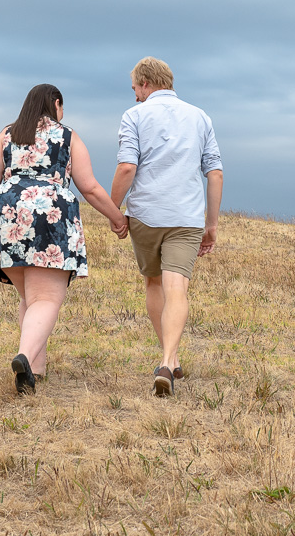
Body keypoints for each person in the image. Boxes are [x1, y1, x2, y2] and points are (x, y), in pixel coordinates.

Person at [0, 83, 127, 394]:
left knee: (30, 297)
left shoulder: (6, 134)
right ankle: (25, 357)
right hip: (49, 218)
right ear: (56, 104)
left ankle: (35, 370)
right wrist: (117, 217)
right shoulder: (67, 136)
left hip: (4, 214)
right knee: (46, 299)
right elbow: (90, 187)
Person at [111, 57, 222, 397]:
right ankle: (168, 361)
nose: (134, 97)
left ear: (145, 83)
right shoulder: (200, 117)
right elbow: (214, 173)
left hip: (146, 214)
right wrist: (211, 224)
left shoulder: (135, 116)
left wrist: (113, 208)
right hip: (187, 217)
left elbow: (127, 168)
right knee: (178, 289)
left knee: (154, 282)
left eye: (135, 89)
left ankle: (168, 360)